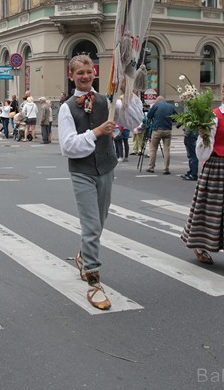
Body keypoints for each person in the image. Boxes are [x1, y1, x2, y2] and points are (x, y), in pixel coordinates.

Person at [59, 54, 143, 310]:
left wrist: (129, 93)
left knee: (101, 220)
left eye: (88, 71)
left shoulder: (107, 100)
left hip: (106, 167)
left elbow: (133, 122)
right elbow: (68, 146)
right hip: (82, 171)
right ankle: (93, 278)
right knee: (92, 225)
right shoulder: (67, 107)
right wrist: (96, 132)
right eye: (79, 73)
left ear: (94, 72)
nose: (85, 76)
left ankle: (84, 256)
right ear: (72, 76)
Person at [181, 77, 224, 278]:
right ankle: (200, 247)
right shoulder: (213, 117)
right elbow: (202, 154)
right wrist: (203, 137)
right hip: (216, 166)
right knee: (209, 211)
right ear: (223, 92)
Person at [145, 96, 176, 175]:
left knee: (153, 149)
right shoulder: (171, 106)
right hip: (168, 130)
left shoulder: (156, 105)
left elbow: (149, 116)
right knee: (167, 150)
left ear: (157, 101)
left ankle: (151, 167)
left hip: (157, 130)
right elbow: (176, 118)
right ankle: (166, 168)